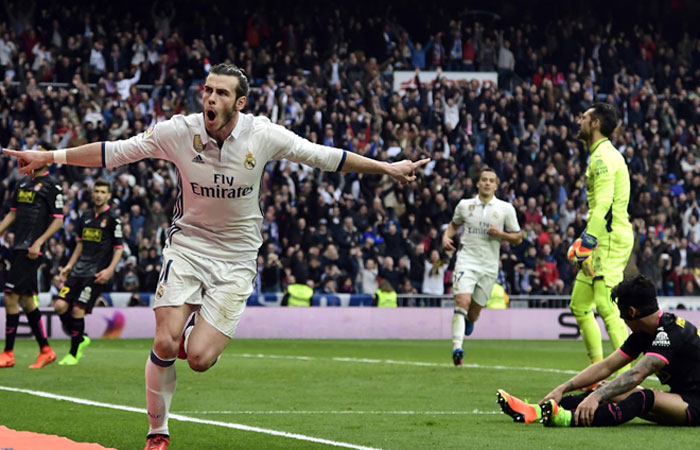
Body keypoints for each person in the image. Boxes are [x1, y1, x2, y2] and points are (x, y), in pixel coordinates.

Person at [3, 63, 429, 450]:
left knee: (200, 359)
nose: (210, 98)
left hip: (238, 257)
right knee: (165, 341)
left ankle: (199, 334)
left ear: (240, 103)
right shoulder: (178, 131)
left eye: (222, 93)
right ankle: (158, 431)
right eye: (207, 90)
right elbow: (115, 152)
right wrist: (49, 156)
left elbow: (325, 157)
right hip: (188, 245)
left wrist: (387, 167)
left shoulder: (263, 136)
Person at [497, 275, 700, 427]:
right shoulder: (645, 332)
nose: (623, 321)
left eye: (622, 315)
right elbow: (606, 366)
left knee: (643, 397)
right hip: (681, 398)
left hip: (696, 404)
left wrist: (596, 397)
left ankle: (568, 420)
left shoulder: (672, 332)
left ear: (631, 311)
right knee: (606, 387)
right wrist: (563, 388)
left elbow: (636, 375)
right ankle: (535, 411)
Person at [567, 103, 633, 368]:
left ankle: (626, 380)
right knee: (580, 305)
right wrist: (587, 237)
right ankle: (598, 372)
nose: (579, 121)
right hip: (601, 236)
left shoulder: (603, 157)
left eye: (584, 117)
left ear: (595, 124)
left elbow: (605, 202)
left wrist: (589, 241)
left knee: (607, 307)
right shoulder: (600, 154)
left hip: (608, 239)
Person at [441, 167, 522, 366]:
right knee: (462, 301)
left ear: (495, 185)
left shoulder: (505, 209)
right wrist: (445, 236)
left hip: (488, 266)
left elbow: (518, 237)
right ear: (478, 183)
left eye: (491, 180)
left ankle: (469, 321)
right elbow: (453, 225)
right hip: (466, 261)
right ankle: (457, 347)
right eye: (483, 179)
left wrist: (501, 235)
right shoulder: (465, 205)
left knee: (474, 311)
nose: (487, 183)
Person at [0, 144, 64, 369]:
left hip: (32, 250)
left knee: (10, 298)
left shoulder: (52, 185)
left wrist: (39, 242)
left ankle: (8, 352)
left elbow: (58, 219)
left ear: (47, 160)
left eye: (38, 153)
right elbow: (13, 214)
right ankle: (45, 350)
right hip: (19, 246)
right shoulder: (23, 182)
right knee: (27, 301)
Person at [54, 178, 123, 365]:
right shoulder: (85, 216)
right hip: (78, 270)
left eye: (103, 192)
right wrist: (69, 265)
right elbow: (80, 244)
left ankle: (73, 353)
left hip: (96, 274)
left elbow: (119, 248)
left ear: (108, 196)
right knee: (60, 306)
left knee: (78, 309)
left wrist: (109, 270)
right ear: (92, 193)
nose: (99, 195)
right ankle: (81, 337)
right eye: (96, 191)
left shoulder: (113, 219)